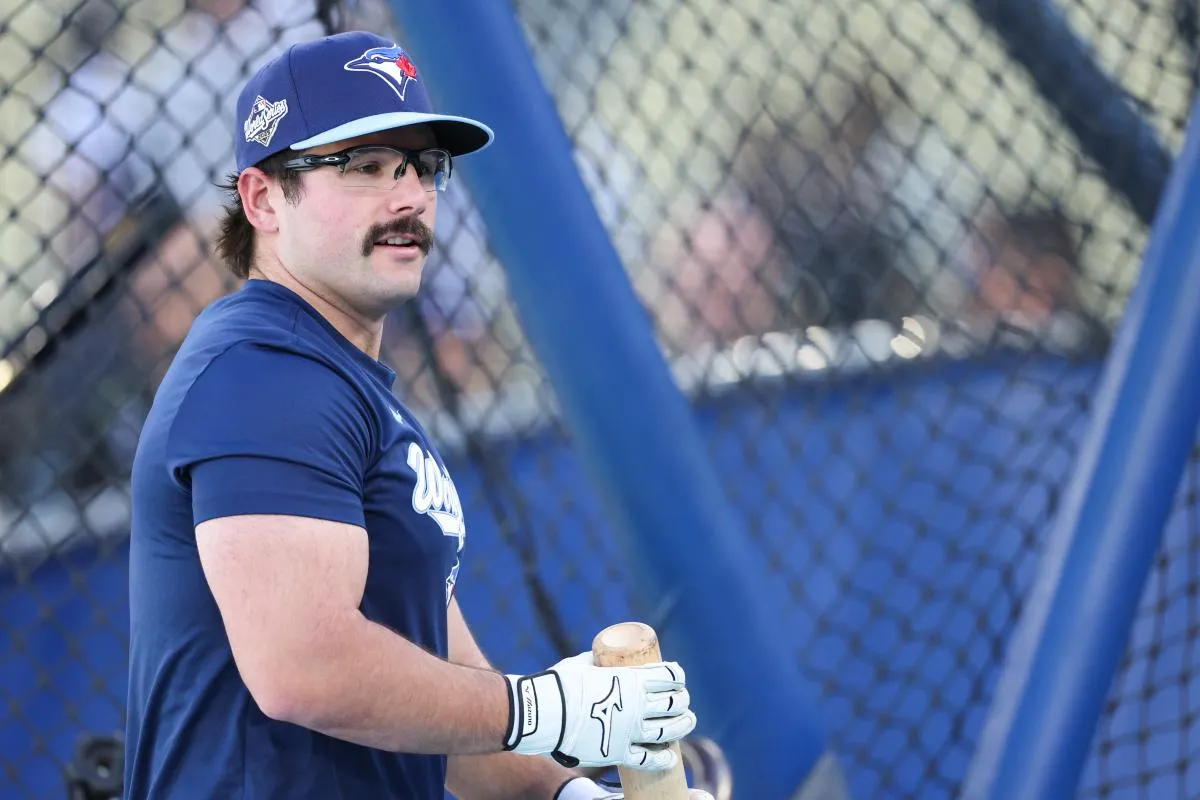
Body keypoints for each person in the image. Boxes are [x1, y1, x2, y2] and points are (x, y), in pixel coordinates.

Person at [123, 30, 716, 800]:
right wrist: (543, 708)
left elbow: (447, 702)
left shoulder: (352, 390)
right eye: (365, 167)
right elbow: (303, 668)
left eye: (423, 168)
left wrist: (571, 794)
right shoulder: (262, 371)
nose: (410, 198)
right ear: (263, 198)